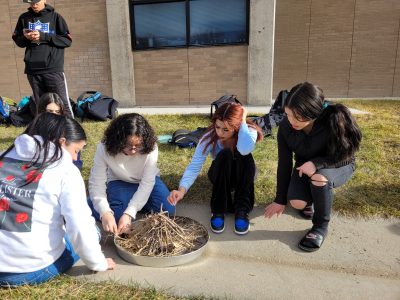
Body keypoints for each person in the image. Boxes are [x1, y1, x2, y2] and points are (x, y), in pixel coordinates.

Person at [0, 113, 115, 286]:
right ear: (62, 142)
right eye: (76, 151)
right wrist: (99, 263)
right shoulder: (65, 170)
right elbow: (79, 226)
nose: (76, 158)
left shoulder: (4, 156)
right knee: (93, 231)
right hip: (25, 271)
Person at [264, 82, 362, 252]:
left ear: (314, 113)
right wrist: (280, 200)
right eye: (288, 114)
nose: (291, 121)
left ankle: (320, 227)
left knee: (320, 178)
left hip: (337, 164)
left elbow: (346, 156)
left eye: (298, 116)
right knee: (297, 203)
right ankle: (314, 200)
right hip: (305, 167)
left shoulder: (335, 119)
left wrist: (317, 164)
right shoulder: (286, 127)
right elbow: (284, 163)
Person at [168, 103, 263, 235]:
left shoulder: (249, 132)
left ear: (237, 127)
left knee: (244, 155)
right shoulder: (209, 137)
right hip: (221, 174)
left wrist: (242, 120)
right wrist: (182, 190)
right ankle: (218, 210)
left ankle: (242, 210)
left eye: (226, 129)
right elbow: (195, 166)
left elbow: (244, 149)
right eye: (218, 127)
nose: (220, 132)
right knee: (225, 154)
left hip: (244, 175)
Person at [88, 113, 175, 235]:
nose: (133, 150)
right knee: (117, 220)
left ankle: (132, 202)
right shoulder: (104, 148)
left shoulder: (151, 147)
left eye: (138, 146)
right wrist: (105, 213)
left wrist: (129, 212)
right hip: (119, 181)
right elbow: (96, 183)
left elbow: (147, 182)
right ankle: (93, 203)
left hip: (145, 181)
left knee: (168, 211)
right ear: (118, 140)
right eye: (128, 145)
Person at [12, 0, 74, 118]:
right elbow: (18, 41)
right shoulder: (24, 18)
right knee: (41, 106)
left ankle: (71, 133)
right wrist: (26, 37)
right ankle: (46, 133)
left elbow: (67, 40)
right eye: (31, 2)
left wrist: (43, 35)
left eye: (36, 2)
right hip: (32, 69)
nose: (34, 5)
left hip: (53, 68)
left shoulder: (56, 17)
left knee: (62, 103)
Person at [37, 92, 83, 170]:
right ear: (42, 112)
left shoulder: (68, 131)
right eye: (50, 111)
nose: (54, 115)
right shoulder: (34, 131)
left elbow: (76, 162)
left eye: (57, 112)